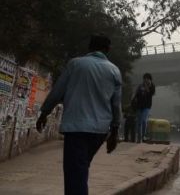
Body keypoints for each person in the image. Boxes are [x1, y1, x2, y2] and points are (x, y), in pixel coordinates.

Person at [36, 34, 121, 195]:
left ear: (89, 48)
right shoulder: (114, 70)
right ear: (107, 50)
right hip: (100, 132)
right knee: (80, 169)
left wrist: (44, 113)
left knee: (75, 174)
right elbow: (116, 104)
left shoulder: (75, 64)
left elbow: (57, 92)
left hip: (76, 129)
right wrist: (114, 131)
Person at [132, 72, 155, 143]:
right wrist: (134, 100)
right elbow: (136, 95)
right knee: (139, 122)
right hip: (139, 106)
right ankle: (139, 138)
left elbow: (151, 93)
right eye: (145, 79)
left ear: (150, 80)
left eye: (147, 79)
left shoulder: (152, 86)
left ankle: (143, 136)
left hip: (147, 106)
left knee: (144, 121)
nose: (146, 80)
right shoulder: (140, 86)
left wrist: (147, 86)